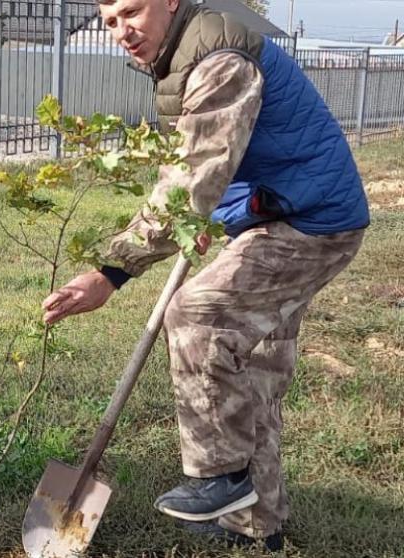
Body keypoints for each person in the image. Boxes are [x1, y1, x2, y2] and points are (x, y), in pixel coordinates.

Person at [41, 0, 368, 552]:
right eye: (110, 21)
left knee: (198, 314)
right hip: (277, 210)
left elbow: (192, 176)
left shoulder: (218, 59)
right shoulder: (182, 50)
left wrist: (111, 272)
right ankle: (257, 524)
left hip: (312, 222)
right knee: (254, 369)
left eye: (132, 11)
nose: (122, 30)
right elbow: (226, 154)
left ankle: (220, 475)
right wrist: (214, 216)